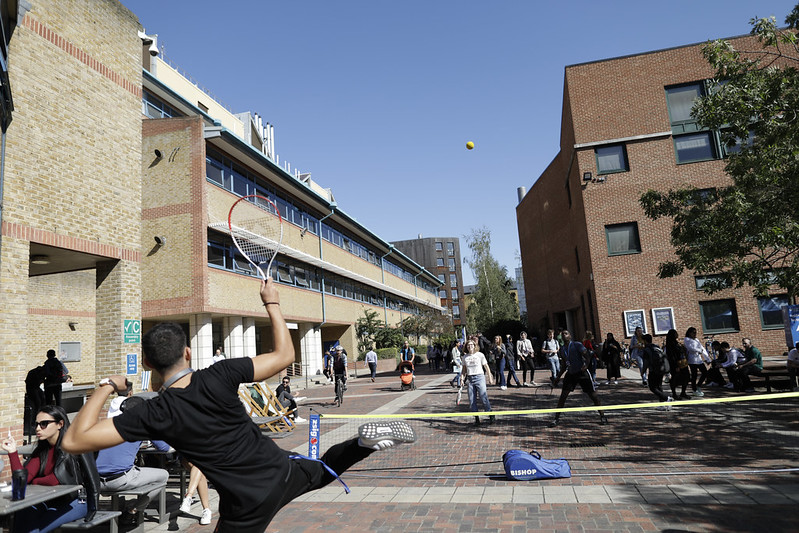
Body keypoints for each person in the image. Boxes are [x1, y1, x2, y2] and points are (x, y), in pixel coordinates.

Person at [62, 278, 417, 532]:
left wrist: (106, 386)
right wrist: (272, 302)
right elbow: (284, 355)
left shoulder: (153, 412)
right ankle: (361, 444)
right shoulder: (221, 373)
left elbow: (75, 441)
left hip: (246, 502)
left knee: (318, 474)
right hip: (279, 469)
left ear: (149, 366)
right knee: (322, 471)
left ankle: (362, 444)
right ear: (188, 353)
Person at [2, 405, 100, 532]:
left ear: (60, 424)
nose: (38, 428)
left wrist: (36, 481)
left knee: (35, 528)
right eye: (36, 424)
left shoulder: (74, 446)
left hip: (76, 501)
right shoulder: (42, 450)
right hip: (49, 500)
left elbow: (56, 480)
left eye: (44, 424)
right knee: (22, 515)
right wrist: (13, 452)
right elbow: (23, 479)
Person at [96, 396, 171, 526]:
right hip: (120, 480)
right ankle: (133, 511)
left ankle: (117, 509)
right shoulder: (142, 426)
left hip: (96, 481)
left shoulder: (107, 424)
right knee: (163, 475)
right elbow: (166, 449)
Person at [549, 330, 608, 427]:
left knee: (593, 396)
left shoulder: (577, 345)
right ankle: (556, 419)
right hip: (571, 374)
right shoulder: (562, 349)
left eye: (566, 333)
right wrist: (558, 377)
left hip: (582, 373)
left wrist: (586, 365)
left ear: (570, 336)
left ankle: (602, 416)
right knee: (562, 397)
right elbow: (564, 365)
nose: (564, 335)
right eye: (562, 334)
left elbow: (587, 355)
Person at [460, 339, 495, 425]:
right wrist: (462, 379)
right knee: (472, 400)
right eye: (468, 345)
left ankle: (490, 414)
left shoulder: (480, 355)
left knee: (483, 397)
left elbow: (486, 366)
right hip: (470, 379)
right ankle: (476, 418)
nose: (470, 346)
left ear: (475, 346)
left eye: (472, 345)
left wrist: (490, 377)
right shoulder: (465, 357)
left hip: (479, 377)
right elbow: (464, 370)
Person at [642, 334, 672, 405]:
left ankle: (666, 398)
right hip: (661, 368)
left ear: (645, 341)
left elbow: (646, 362)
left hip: (653, 370)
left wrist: (643, 371)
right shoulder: (657, 347)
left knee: (652, 387)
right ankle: (662, 404)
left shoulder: (646, 350)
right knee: (659, 386)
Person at [684, 327, 711, 397]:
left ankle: (698, 385)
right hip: (692, 360)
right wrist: (699, 350)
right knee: (694, 375)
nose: (695, 334)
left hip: (698, 360)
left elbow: (702, 348)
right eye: (693, 332)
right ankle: (694, 389)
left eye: (695, 332)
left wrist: (707, 359)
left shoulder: (696, 340)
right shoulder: (687, 339)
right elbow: (691, 349)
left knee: (705, 372)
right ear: (689, 333)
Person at [664, 329, 689, 399]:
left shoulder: (676, 343)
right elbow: (672, 356)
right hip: (676, 364)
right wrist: (676, 366)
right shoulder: (670, 345)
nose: (677, 334)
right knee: (675, 378)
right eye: (675, 333)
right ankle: (674, 394)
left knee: (686, 377)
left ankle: (683, 392)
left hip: (683, 363)